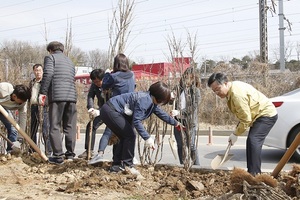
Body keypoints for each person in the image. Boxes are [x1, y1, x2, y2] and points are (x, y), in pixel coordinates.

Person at [90, 81, 184, 173]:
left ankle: (117, 165)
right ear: (159, 98)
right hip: (111, 111)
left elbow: (161, 114)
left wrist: (176, 124)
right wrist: (147, 138)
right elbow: (137, 120)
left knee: (124, 136)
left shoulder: (150, 99)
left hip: (110, 110)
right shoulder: (145, 100)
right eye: (163, 100)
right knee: (130, 135)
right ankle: (128, 165)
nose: (162, 103)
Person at [207, 72, 278, 176]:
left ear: (226, 83)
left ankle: (255, 175)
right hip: (257, 115)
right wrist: (235, 132)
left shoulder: (236, 94)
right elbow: (243, 115)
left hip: (266, 114)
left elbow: (246, 119)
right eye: (214, 91)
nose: (217, 93)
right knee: (251, 142)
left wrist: (236, 134)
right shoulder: (231, 90)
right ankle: (252, 172)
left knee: (254, 140)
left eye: (218, 89)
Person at [88, 53, 135, 164]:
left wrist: (108, 73)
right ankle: (124, 160)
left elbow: (104, 86)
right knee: (125, 135)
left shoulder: (114, 76)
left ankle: (105, 157)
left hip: (116, 108)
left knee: (111, 132)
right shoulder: (132, 75)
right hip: (130, 109)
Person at [39, 41, 77, 165]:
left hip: (57, 96)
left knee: (54, 125)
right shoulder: (70, 61)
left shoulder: (50, 58)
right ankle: (70, 155)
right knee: (69, 126)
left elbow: (48, 74)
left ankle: (58, 156)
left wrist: (43, 92)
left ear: (50, 50)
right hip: (71, 97)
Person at [170, 67, 201, 165]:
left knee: (191, 146)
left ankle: (197, 165)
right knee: (180, 145)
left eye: (188, 78)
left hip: (189, 122)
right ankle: (182, 165)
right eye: (184, 77)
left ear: (193, 78)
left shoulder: (195, 91)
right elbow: (171, 102)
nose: (185, 80)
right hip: (178, 122)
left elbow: (193, 108)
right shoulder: (178, 89)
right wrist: (170, 97)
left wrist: (180, 112)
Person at [77, 69, 106, 159]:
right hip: (101, 111)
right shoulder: (94, 85)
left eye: (98, 81)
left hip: (111, 110)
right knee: (90, 126)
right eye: (94, 81)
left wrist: (101, 110)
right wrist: (91, 107)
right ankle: (89, 150)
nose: (96, 83)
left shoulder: (109, 84)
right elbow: (90, 96)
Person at [0, 82, 31, 156]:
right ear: (14, 96)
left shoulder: (23, 103)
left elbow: (23, 119)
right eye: (21, 101)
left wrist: (20, 139)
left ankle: (10, 153)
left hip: (2, 110)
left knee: (13, 129)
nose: (22, 103)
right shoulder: (4, 88)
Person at [29, 64, 52, 156]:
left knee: (45, 129)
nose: (37, 72)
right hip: (33, 107)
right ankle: (33, 150)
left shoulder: (45, 82)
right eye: (35, 70)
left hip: (43, 107)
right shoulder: (32, 82)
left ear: (43, 71)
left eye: (39, 70)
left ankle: (48, 151)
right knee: (33, 130)